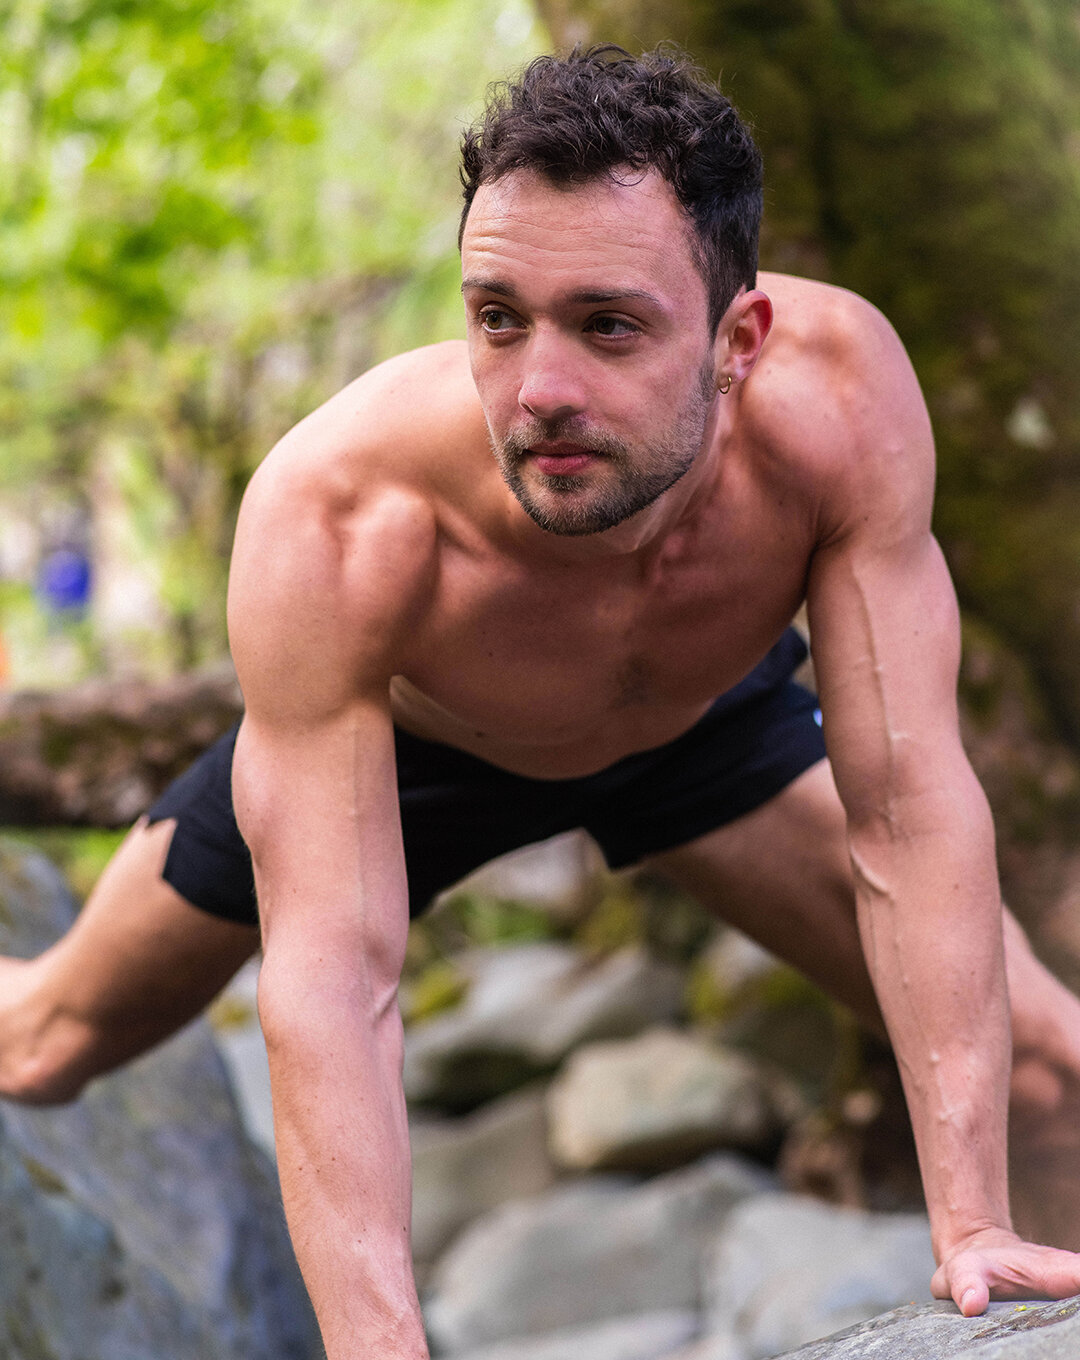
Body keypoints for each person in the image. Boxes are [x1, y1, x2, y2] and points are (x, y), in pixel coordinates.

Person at [3, 44, 1080, 1360]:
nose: (541, 389)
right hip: (413, 749)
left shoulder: (842, 399)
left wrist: (969, 1226)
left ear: (739, 339)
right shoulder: (343, 514)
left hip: (702, 724)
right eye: (498, 317)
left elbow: (909, 807)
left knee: (1049, 1060)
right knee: (38, 1044)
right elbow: (334, 987)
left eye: (608, 325)